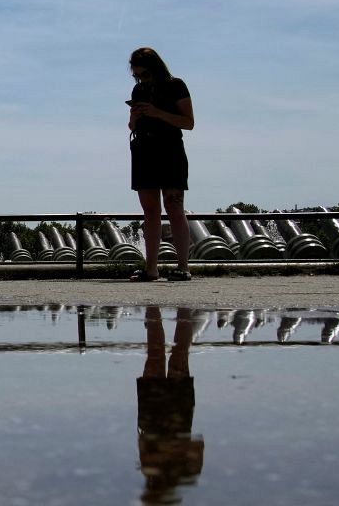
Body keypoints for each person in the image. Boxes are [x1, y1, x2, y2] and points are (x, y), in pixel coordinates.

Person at [128, 47, 196, 281]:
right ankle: (151, 268)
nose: (140, 79)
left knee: (174, 206)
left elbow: (188, 122)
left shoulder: (176, 85)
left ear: (155, 68)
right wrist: (135, 119)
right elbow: (131, 126)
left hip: (170, 150)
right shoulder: (139, 89)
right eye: (137, 75)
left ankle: (183, 267)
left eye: (144, 74)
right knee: (150, 211)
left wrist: (157, 112)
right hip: (144, 150)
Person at [136, 306, 204, 502]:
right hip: (174, 419)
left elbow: (143, 444)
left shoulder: (151, 473)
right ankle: (181, 308)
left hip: (153, 420)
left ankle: (155, 307)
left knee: (158, 355)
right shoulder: (185, 475)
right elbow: (198, 444)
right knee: (177, 356)